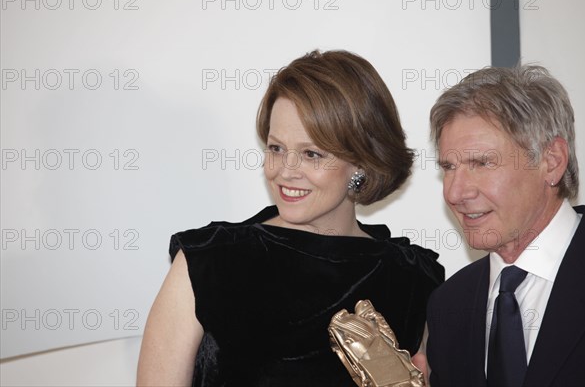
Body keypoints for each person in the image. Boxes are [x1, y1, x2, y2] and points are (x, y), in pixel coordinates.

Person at [137, 50, 444, 386]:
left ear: (361, 163)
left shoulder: (412, 279)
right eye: (276, 148)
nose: (285, 171)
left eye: (311, 154)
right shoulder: (209, 261)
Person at [424, 65, 585, 386]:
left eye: (481, 163)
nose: (455, 192)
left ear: (552, 161)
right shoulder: (448, 305)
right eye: (448, 167)